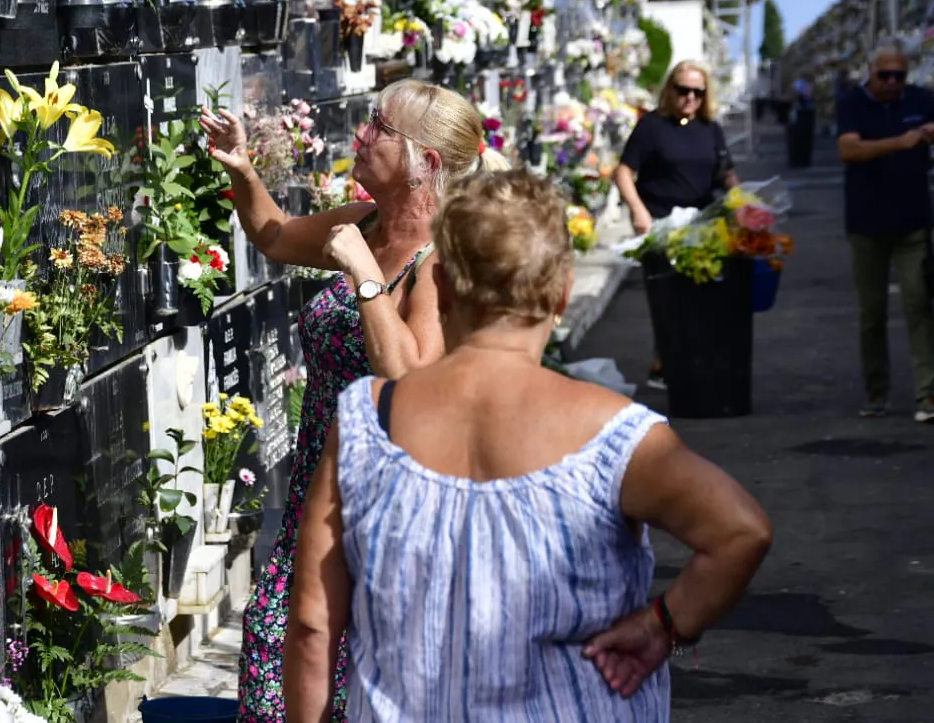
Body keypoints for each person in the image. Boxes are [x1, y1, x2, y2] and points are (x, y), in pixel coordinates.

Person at [285, 170, 772, 722]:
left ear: (440, 285)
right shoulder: (615, 435)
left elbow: (312, 625)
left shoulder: (365, 421)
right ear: (561, 293)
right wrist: (663, 623)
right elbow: (741, 531)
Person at [199, 80, 509, 722]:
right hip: (322, 480)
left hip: (387, 502)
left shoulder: (436, 261)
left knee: (345, 677)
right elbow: (276, 235)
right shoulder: (361, 222)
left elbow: (411, 382)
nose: (360, 136)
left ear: (425, 159)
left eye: (379, 127)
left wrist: (367, 280)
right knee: (276, 656)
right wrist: (241, 167)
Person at [837, 42, 934, 422]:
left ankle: (927, 393)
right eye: (885, 75)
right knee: (872, 312)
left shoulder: (921, 100)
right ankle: (876, 390)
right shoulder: (853, 103)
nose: (893, 82)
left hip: (913, 221)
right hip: (867, 223)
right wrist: (902, 142)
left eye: (900, 74)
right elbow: (848, 150)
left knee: (919, 305)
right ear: (871, 72)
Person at [613, 60, 738, 390]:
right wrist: (639, 211)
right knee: (669, 299)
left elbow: (725, 172)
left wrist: (740, 201)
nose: (690, 98)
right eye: (683, 90)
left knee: (704, 297)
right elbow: (624, 171)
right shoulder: (653, 126)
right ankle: (665, 364)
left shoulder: (710, 128)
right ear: (670, 89)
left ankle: (692, 362)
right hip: (661, 225)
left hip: (703, 224)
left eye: (698, 92)